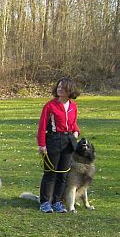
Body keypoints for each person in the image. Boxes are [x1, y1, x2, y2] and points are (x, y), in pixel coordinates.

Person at [37, 77, 80, 213]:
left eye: (63, 87)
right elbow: (42, 126)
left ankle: (57, 202)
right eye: (58, 86)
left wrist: (76, 133)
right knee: (50, 173)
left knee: (63, 174)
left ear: (70, 90)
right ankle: (45, 202)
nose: (59, 89)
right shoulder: (49, 106)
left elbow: (74, 124)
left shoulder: (73, 106)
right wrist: (42, 145)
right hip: (53, 140)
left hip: (68, 142)